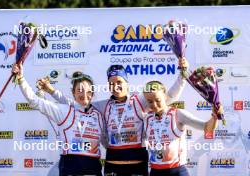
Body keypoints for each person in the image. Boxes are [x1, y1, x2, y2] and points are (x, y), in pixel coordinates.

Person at [37, 59, 188, 176]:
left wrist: (182, 75)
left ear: (127, 83)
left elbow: (168, 97)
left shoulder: (140, 100)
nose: (115, 87)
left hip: (137, 163)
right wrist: (51, 90)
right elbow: (76, 103)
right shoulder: (103, 105)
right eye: (111, 84)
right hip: (112, 165)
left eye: (119, 82)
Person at [12, 63, 105, 176]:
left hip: (93, 168)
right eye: (80, 90)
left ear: (92, 93)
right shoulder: (64, 111)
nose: (84, 94)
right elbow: (34, 101)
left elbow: (106, 141)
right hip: (71, 167)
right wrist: (21, 78)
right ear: (73, 93)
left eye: (88, 91)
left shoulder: (98, 115)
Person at [142, 80, 221, 176]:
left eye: (158, 100)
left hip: (177, 171)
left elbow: (207, 128)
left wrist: (215, 116)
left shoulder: (178, 114)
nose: (154, 104)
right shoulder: (147, 118)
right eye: (149, 101)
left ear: (165, 96)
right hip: (155, 171)